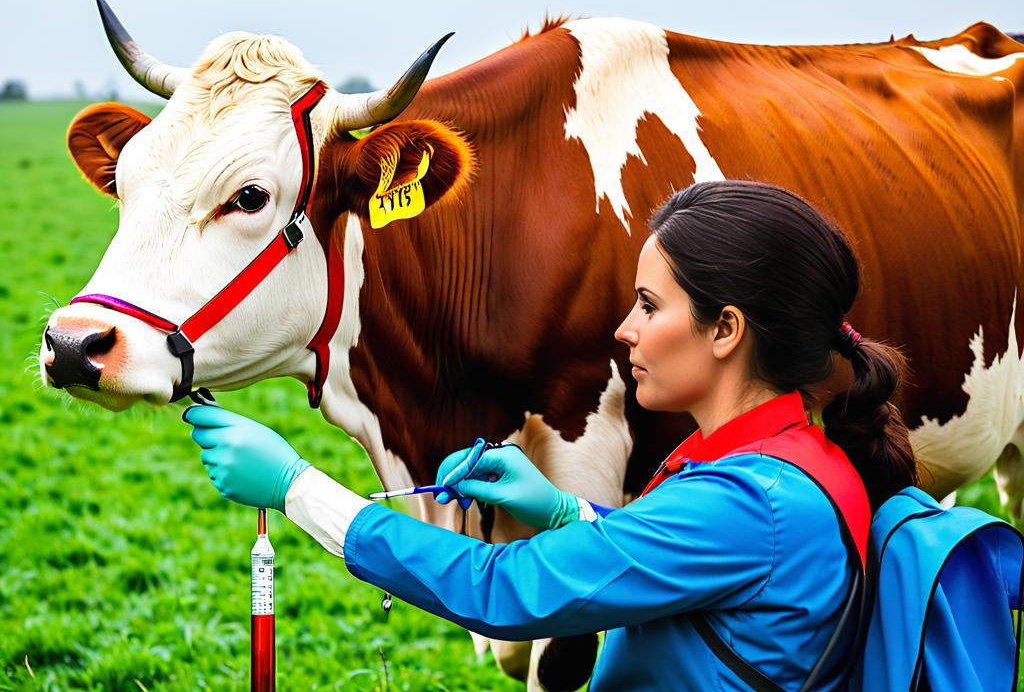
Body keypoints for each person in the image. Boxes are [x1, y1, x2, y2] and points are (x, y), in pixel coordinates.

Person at [185, 180, 918, 691]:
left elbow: (504, 590)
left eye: (648, 305)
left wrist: (296, 488)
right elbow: (689, 564)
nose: (624, 329)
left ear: (726, 329)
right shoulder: (795, 462)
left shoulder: (749, 504)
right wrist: (567, 514)